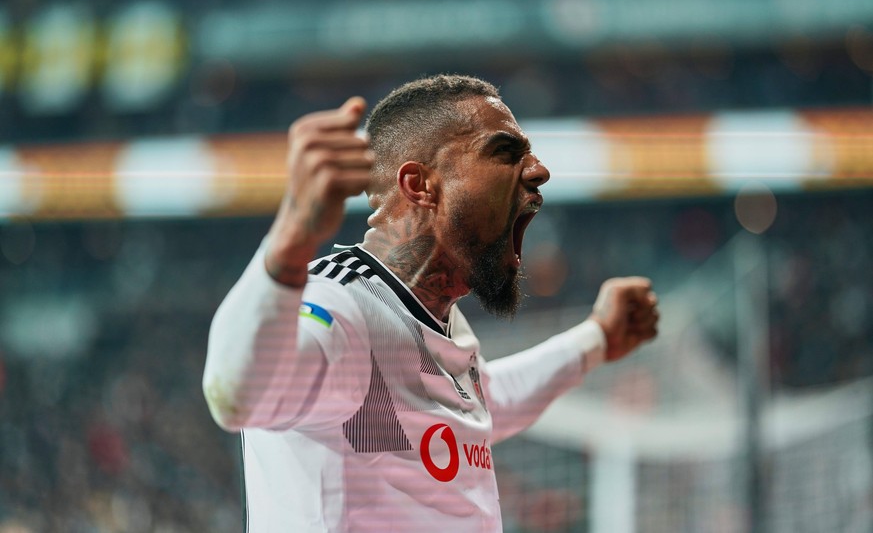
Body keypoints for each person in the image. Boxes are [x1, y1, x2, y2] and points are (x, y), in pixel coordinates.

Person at [202, 74, 659, 532]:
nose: (539, 171)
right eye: (505, 152)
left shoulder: (444, 322)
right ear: (420, 185)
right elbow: (238, 397)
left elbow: (484, 404)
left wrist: (597, 337)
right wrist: (289, 238)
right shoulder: (341, 306)